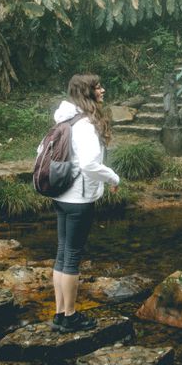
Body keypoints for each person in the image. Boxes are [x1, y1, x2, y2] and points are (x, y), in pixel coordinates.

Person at [45, 73, 120, 332]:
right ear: (87, 92)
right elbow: (89, 164)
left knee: (62, 254)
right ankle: (70, 316)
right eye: (98, 87)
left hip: (61, 195)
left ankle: (59, 314)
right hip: (78, 199)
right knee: (72, 258)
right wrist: (113, 176)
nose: (102, 90)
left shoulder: (64, 119)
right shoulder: (85, 124)